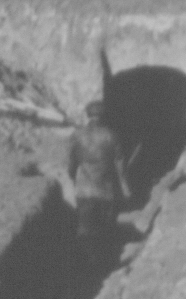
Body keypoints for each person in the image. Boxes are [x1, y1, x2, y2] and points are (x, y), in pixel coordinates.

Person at [68, 99, 129, 269]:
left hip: (83, 190)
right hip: (105, 190)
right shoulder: (112, 136)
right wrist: (125, 188)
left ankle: (87, 264)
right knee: (104, 228)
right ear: (104, 116)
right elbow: (120, 166)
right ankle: (104, 265)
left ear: (88, 116)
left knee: (85, 228)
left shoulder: (77, 135)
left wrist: (73, 178)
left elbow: (71, 164)